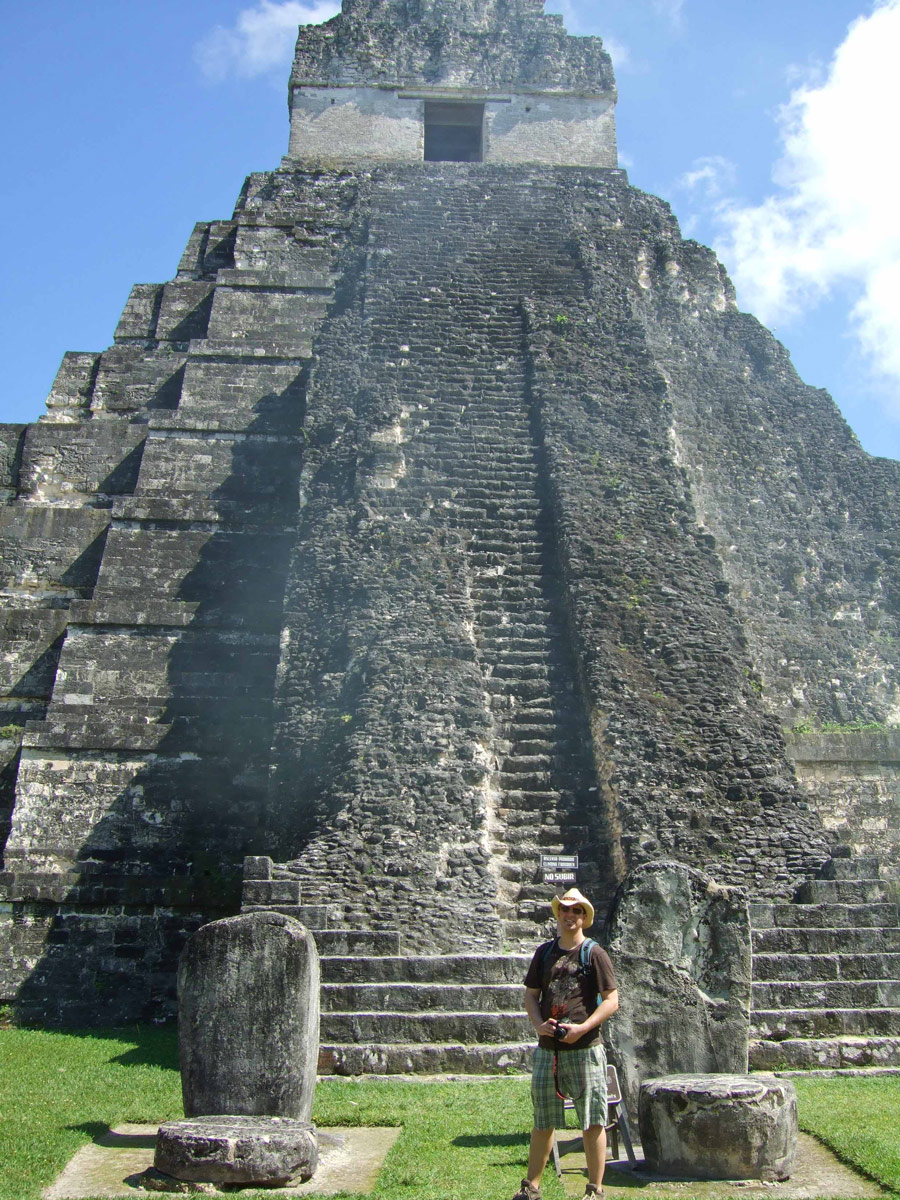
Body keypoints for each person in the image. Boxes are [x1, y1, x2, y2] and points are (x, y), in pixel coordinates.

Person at [512, 887, 619, 1200]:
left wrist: (582, 1027)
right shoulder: (544, 953)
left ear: (584, 917)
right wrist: (538, 1025)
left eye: (576, 911)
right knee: (543, 1120)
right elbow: (531, 996)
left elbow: (611, 1000)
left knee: (593, 1120)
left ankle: (595, 1190)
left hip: (585, 1049)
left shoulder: (594, 954)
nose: (570, 915)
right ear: (558, 914)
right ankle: (531, 1188)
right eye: (565, 910)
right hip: (550, 1050)